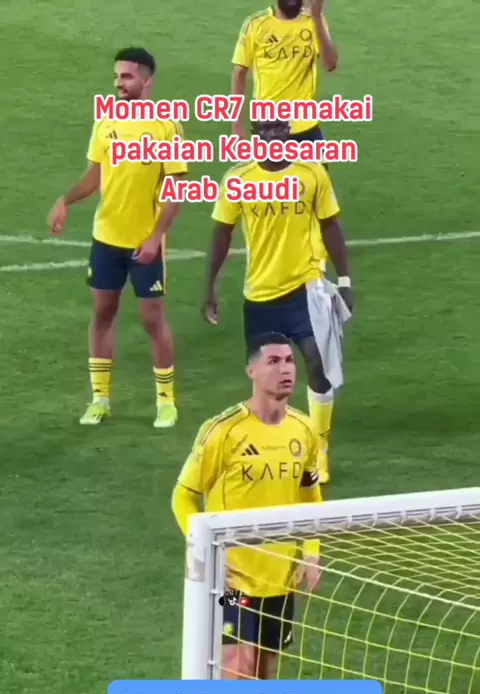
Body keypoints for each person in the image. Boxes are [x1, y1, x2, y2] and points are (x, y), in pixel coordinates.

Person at [171, 331, 322, 694]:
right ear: (252, 371)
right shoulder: (224, 431)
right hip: (231, 579)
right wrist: (204, 548)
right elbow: (183, 496)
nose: (286, 369)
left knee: (263, 679)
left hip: (279, 578)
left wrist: (312, 552)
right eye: (274, 361)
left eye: (290, 360)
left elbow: (310, 496)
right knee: (237, 671)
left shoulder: (305, 430)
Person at [203, 118, 353, 484]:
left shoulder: (312, 173)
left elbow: (330, 225)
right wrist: (211, 286)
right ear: (257, 134)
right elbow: (222, 233)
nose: (274, 134)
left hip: (306, 288)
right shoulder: (239, 178)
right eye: (266, 129)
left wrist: (345, 280)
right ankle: (274, 448)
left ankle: (318, 450)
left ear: (289, 131)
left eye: (280, 128)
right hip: (260, 295)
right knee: (269, 377)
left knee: (317, 363)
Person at [48, 47, 187, 428]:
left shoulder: (166, 127)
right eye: (116, 76)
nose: (118, 84)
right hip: (106, 238)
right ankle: (100, 400)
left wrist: (156, 237)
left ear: (147, 80)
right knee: (103, 315)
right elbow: (95, 176)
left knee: (152, 319)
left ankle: (165, 402)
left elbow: (176, 188)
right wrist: (66, 201)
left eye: (126, 76)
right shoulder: (106, 122)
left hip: (144, 241)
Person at [231, 0, 337, 146]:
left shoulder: (313, 21)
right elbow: (239, 74)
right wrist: (237, 126)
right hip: (268, 124)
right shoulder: (256, 24)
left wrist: (317, 17)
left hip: (306, 123)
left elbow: (330, 64)